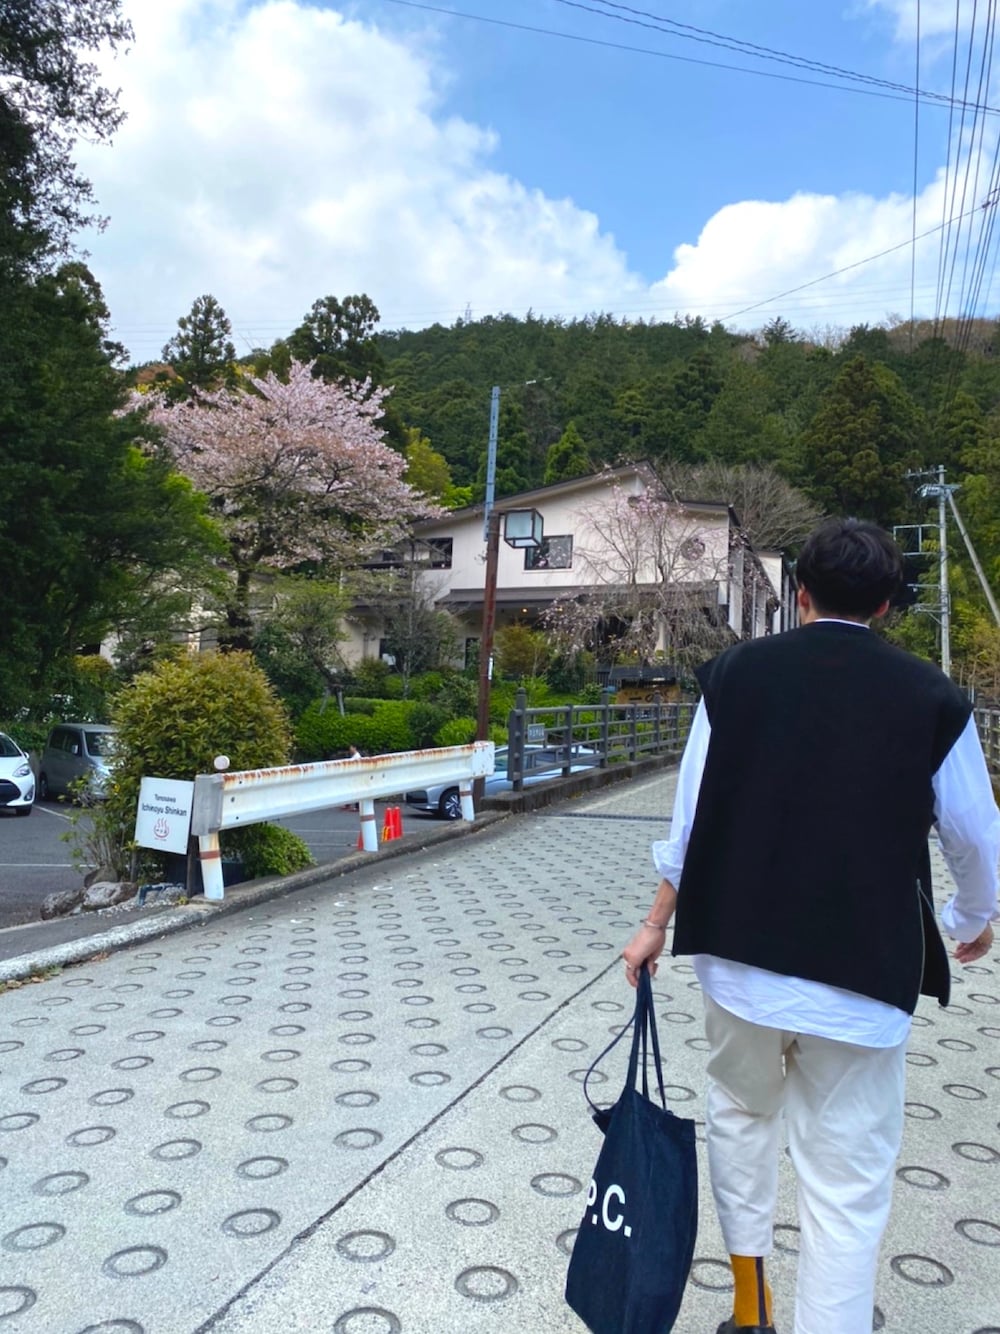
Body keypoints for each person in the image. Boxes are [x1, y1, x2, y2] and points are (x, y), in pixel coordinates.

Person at [622, 518, 999, 1334]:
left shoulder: (734, 676)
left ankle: (750, 1313)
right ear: (888, 606)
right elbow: (975, 834)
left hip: (738, 958)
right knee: (847, 1179)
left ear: (798, 595)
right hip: (865, 971)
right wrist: (972, 917)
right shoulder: (934, 698)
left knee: (740, 1122)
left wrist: (655, 924)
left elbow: (688, 819)